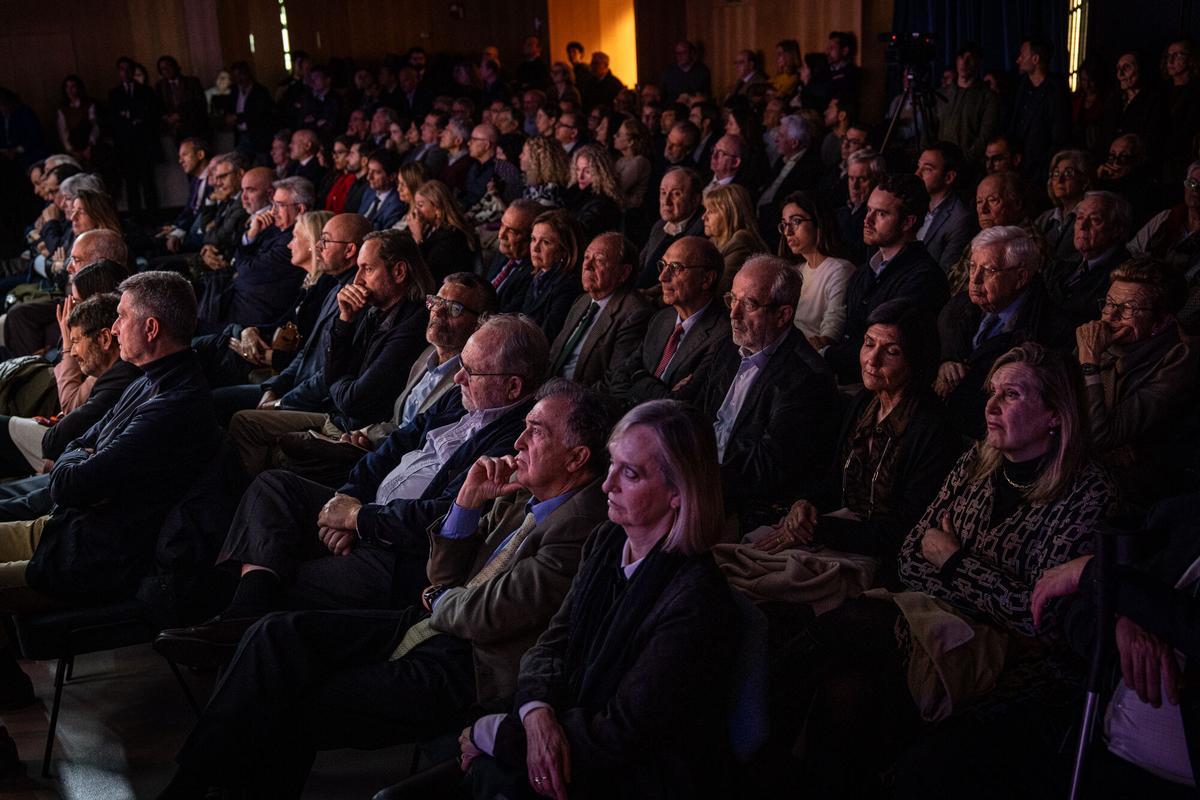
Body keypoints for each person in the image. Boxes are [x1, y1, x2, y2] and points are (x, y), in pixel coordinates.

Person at [155, 380, 612, 799]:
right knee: (275, 634)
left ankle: (191, 788)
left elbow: (487, 614)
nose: (518, 442)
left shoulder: (581, 527)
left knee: (293, 701)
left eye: (536, 431)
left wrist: (441, 599)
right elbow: (442, 575)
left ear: (576, 458)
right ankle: (191, 779)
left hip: (470, 667)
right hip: (429, 625)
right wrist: (466, 505)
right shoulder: (517, 495)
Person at [791, 343, 1116, 796]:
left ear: (1055, 415)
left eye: (1013, 395)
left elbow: (1037, 617)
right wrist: (971, 577)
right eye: (992, 392)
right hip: (934, 618)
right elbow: (910, 555)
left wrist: (953, 561)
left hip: (1017, 660)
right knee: (842, 692)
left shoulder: (1087, 494)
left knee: (844, 655)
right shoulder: (976, 462)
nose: (991, 405)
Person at [155, 315, 548, 661]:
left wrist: (360, 520)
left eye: (471, 371)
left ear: (513, 387)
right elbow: (394, 445)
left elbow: (444, 516)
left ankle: (235, 628)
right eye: (460, 365)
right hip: (368, 511)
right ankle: (239, 621)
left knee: (277, 572)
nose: (458, 376)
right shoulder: (464, 400)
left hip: (400, 555)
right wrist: (345, 500)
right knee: (272, 487)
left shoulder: (514, 440)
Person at [458, 399, 738, 800]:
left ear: (679, 492)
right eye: (612, 464)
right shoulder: (608, 540)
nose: (607, 485)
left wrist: (496, 734)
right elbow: (553, 642)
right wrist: (536, 714)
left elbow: (618, 736)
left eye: (631, 474)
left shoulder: (696, 602)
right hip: (575, 731)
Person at [0, 272, 221, 707]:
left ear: (150, 328)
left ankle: (9, 707)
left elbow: (69, 480)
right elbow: (73, 445)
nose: (114, 328)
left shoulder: (174, 405)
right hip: (68, 531)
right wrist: (81, 456)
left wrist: (79, 458)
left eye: (121, 317)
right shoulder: (145, 379)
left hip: (94, 557)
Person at [754, 299, 960, 588]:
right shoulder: (864, 403)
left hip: (885, 558)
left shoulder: (932, 429)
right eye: (868, 343)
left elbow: (907, 528)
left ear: (916, 360)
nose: (871, 361)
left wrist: (819, 528)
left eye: (891, 352)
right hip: (836, 531)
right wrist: (806, 504)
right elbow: (833, 478)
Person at [228, 229, 433, 475]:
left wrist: (336, 380)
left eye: (367, 269)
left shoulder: (413, 323)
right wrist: (345, 320)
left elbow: (352, 400)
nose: (357, 280)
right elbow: (332, 371)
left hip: (352, 430)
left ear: (399, 272)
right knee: (244, 421)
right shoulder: (371, 310)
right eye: (358, 269)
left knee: (247, 425)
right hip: (337, 415)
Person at [281, 272, 497, 488]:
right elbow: (398, 420)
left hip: (395, 467)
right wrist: (365, 434)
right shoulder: (425, 356)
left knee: (283, 461)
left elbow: (422, 440)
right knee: (285, 450)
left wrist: (372, 440)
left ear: (479, 324)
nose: (438, 311)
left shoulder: (469, 381)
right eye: (436, 301)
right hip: (367, 441)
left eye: (453, 308)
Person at [686, 256, 840, 530]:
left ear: (783, 315)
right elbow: (695, 410)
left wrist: (695, 481)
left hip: (743, 504)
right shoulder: (728, 347)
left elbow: (766, 468)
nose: (733, 314)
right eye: (732, 299)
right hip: (698, 475)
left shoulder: (806, 379)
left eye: (749, 304)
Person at [1077, 257, 1199, 505]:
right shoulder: (1103, 340)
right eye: (1109, 303)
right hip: (1084, 468)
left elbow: (1100, 434)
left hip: (1135, 491)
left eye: (1128, 308)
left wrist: (1089, 362)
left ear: (1162, 321)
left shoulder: (1180, 359)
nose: (1111, 316)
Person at [935, 226, 1073, 438]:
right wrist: (946, 361)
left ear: (1020, 277)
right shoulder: (958, 305)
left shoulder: (1050, 328)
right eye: (973, 267)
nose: (975, 279)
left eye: (989, 270)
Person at [824, 173, 949, 385]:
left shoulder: (924, 278)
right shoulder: (864, 271)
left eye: (881, 214)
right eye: (869, 209)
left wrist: (824, 354)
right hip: (851, 382)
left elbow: (892, 350)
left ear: (908, 222)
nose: (867, 219)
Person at [604, 236, 731, 408]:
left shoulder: (723, 335)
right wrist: (660, 389)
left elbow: (680, 405)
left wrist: (638, 378)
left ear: (706, 279)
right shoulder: (661, 318)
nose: (662, 277)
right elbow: (620, 376)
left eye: (676, 268)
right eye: (663, 265)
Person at [548, 232, 653, 387]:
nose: (587, 266)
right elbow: (554, 355)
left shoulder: (634, 313)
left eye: (599, 260)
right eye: (586, 257)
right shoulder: (582, 301)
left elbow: (614, 380)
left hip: (581, 400)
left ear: (623, 272)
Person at [778, 190, 855, 350]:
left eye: (796, 222)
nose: (787, 232)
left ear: (819, 223)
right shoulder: (796, 271)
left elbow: (832, 330)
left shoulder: (839, 270)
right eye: (784, 224)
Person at [1043, 190, 1132, 326]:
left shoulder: (1124, 277)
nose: (1083, 226)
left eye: (1095, 219)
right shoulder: (1059, 265)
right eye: (1079, 218)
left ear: (1117, 229)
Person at [1007, 36, 1070, 182]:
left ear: (1035, 59)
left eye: (1022, 56)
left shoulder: (1056, 91)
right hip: (1017, 165)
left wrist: (1044, 166)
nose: (1018, 60)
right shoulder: (1020, 87)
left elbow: (1059, 135)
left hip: (1041, 169)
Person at [636, 166, 705, 290]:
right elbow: (639, 266)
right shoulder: (659, 226)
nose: (666, 201)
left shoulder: (702, 233)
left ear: (695, 200)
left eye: (676, 193)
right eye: (663, 193)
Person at [520, 209, 583, 342]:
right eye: (533, 239)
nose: (535, 248)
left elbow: (546, 335)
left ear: (564, 251)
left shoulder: (568, 287)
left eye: (546, 242)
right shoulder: (537, 276)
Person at [915, 142, 976, 272]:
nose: (917, 174)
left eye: (927, 169)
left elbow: (945, 271)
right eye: (918, 167)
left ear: (949, 177)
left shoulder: (960, 219)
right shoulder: (913, 203)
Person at [937, 43, 1001, 166]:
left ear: (978, 62)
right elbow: (929, 129)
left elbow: (985, 135)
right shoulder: (942, 95)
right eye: (961, 57)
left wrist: (965, 159)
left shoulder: (988, 97)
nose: (964, 63)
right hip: (941, 164)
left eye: (970, 58)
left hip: (969, 165)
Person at [702, 183, 769, 294]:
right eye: (705, 210)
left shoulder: (741, 242)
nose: (704, 217)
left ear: (731, 214)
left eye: (712, 211)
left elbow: (716, 291)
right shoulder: (712, 243)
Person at [407, 180, 479, 281]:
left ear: (437, 208)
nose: (416, 211)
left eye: (420, 205)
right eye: (416, 205)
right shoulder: (429, 228)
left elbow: (426, 272)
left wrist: (418, 237)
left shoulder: (452, 236)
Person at [483, 200, 540, 313]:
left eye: (512, 231)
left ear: (531, 237)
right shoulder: (504, 254)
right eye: (502, 225)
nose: (501, 235)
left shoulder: (532, 274)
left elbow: (507, 316)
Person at [1035, 149, 1091, 261]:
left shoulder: (1089, 217)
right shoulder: (1045, 218)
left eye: (1068, 173)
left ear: (1084, 181)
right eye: (1056, 173)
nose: (1060, 180)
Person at [837, 149, 886, 265]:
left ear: (878, 180)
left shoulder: (878, 219)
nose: (854, 186)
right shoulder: (839, 213)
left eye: (862, 179)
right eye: (851, 178)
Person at [564, 144, 623, 239]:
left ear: (600, 172)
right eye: (578, 170)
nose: (580, 176)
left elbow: (581, 231)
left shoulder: (602, 202)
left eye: (587, 171)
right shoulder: (573, 194)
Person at [356, 149, 404, 230]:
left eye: (376, 172)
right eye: (369, 170)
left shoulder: (397, 205)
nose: (369, 177)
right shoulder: (369, 191)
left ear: (392, 176)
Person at [56, 75, 99, 164]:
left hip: (89, 144)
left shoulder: (89, 104)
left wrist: (90, 146)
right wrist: (71, 150)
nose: (70, 90)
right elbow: (63, 131)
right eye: (67, 87)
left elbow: (94, 126)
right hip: (73, 146)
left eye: (73, 87)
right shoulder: (63, 109)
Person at [519, 134, 570, 208]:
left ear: (537, 159)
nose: (520, 156)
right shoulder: (529, 185)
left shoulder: (550, 193)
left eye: (523, 153)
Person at [613, 117, 653, 211]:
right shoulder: (621, 160)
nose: (614, 136)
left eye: (618, 134)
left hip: (631, 215)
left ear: (631, 142)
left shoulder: (639, 162)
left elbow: (616, 189)